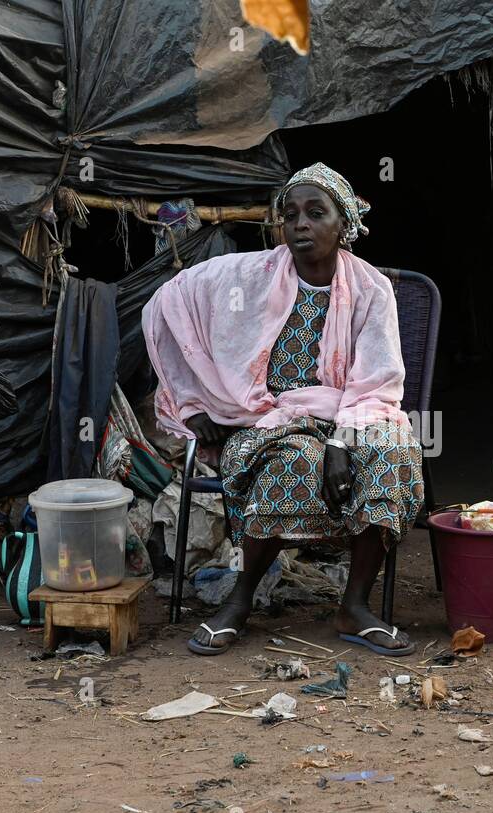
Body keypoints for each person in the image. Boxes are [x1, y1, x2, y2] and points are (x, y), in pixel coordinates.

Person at [142, 163, 424, 656]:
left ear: (344, 224)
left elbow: (378, 384)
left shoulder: (371, 290)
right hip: (271, 417)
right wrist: (193, 403)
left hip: (353, 411)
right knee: (292, 462)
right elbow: (169, 303)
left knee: (393, 448)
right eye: (290, 215)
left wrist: (340, 440)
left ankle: (354, 606)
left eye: (317, 213)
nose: (300, 225)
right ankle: (240, 600)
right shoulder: (250, 275)